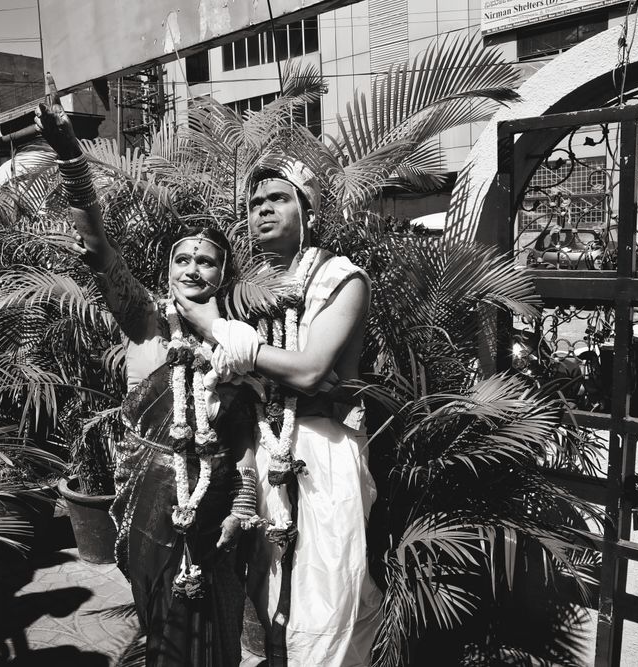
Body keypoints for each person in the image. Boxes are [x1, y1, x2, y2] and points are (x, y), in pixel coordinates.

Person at [35, 96, 259, 666]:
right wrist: (70, 157)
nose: (192, 269)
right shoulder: (145, 323)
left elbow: (251, 433)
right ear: (165, 271)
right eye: (181, 259)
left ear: (223, 273)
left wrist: (246, 502)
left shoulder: (236, 338)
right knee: (163, 628)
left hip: (217, 500)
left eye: (206, 261)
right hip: (150, 502)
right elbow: (96, 249)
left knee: (219, 623)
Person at [173, 157, 384, 666]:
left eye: (278, 198)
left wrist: (219, 330)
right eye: (254, 203)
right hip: (257, 455)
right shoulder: (245, 291)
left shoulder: (341, 277)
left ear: (307, 209)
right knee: (266, 600)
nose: (263, 209)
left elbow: (311, 373)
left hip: (320, 455)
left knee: (325, 598)